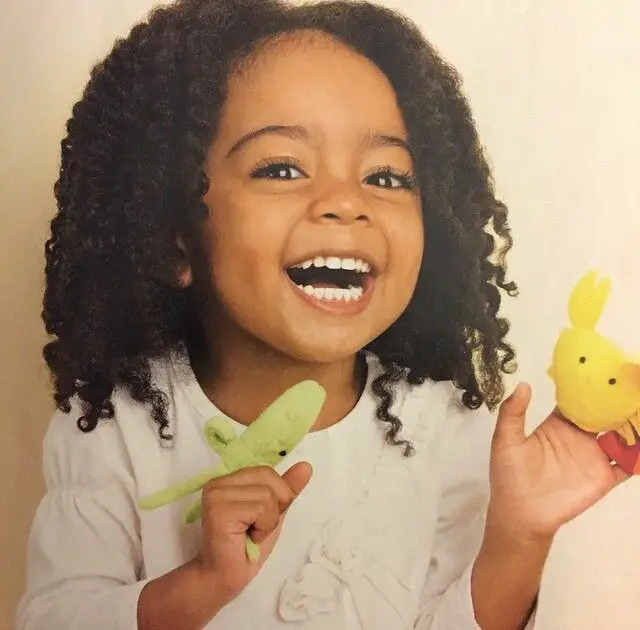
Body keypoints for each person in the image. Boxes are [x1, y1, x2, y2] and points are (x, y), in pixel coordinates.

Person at [16, 0, 629, 629]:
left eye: (386, 177)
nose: (346, 202)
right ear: (176, 241)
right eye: (282, 168)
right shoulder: (115, 425)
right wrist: (202, 583)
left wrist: (519, 539)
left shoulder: (445, 428)